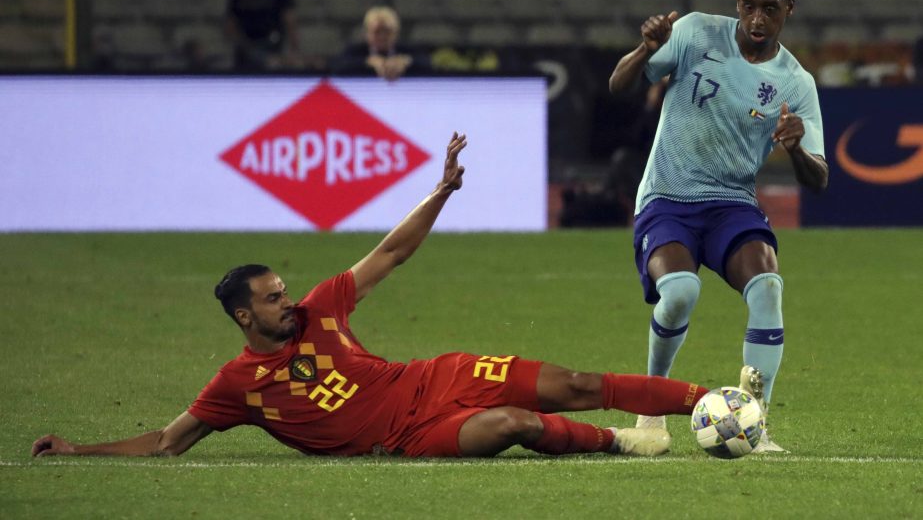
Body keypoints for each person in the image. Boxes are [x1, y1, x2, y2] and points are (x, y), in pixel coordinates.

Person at [31, 133, 749, 460]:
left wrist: (439, 192)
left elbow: (393, 251)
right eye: (273, 299)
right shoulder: (237, 385)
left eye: (285, 291)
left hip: (431, 377)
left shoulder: (325, 306)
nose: (289, 302)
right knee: (512, 426)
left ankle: (700, 401)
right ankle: (619, 442)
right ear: (245, 317)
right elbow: (163, 441)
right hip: (403, 439)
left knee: (574, 381)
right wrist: (76, 450)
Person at [608, 0, 829, 453]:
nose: (757, 18)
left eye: (770, 9)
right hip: (667, 195)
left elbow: (819, 179)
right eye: (749, 5)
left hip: (731, 202)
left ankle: (758, 421)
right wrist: (645, 48)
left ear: (788, 10)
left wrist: (795, 149)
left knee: (768, 285)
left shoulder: (795, 83)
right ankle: (651, 408)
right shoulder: (693, 33)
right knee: (681, 291)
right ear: (738, 3)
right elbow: (618, 86)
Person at [331, 6, 429, 81]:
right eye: (377, 32)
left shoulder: (408, 50)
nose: (382, 37)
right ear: (367, 33)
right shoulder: (355, 51)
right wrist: (368, 62)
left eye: (387, 31)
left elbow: (428, 64)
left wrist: (406, 62)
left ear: (396, 33)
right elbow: (338, 66)